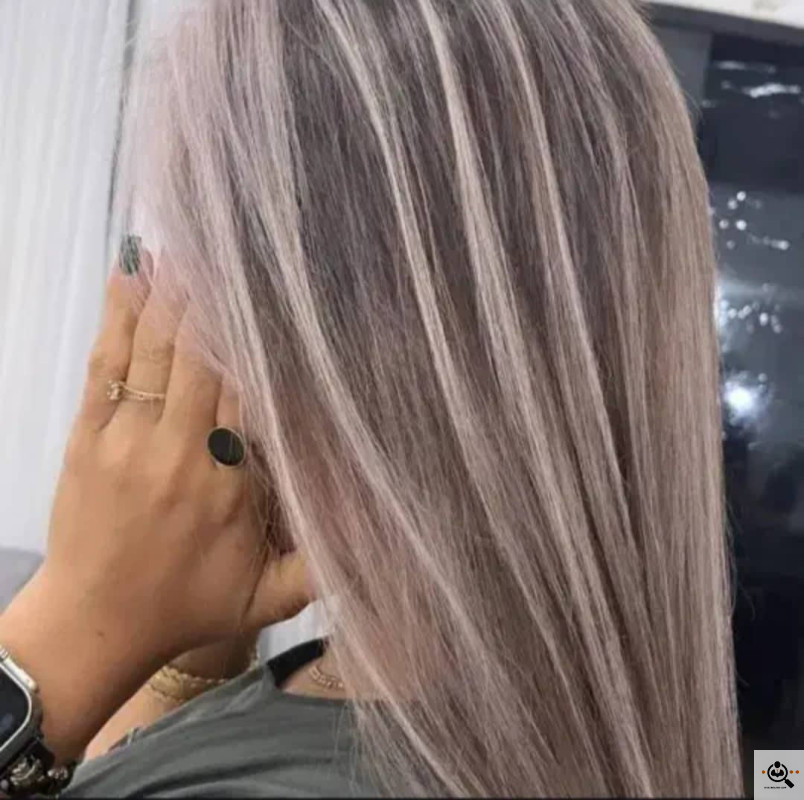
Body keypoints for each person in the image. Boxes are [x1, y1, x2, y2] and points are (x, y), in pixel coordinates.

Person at [0, 0, 743, 796]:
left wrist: (69, 632)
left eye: (195, 265)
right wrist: (181, 646)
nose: (174, 325)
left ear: (312, 336)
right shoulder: (392, 687)